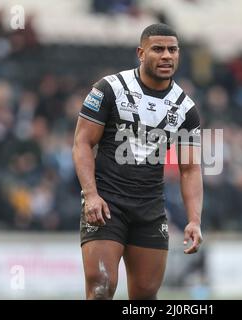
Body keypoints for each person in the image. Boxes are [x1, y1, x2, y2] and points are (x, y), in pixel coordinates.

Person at [72, 23, 203, 300]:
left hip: (150, 208)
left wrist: (194, 220)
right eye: (158, 49)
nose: (167, 55)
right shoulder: (110, 89)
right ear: (141, 53)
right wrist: (91, 195)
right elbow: (82, 143)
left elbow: (190, 169)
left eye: (173, 49)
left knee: (145, 297)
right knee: (101, 287)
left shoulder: (185, 108)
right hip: (107, 203)